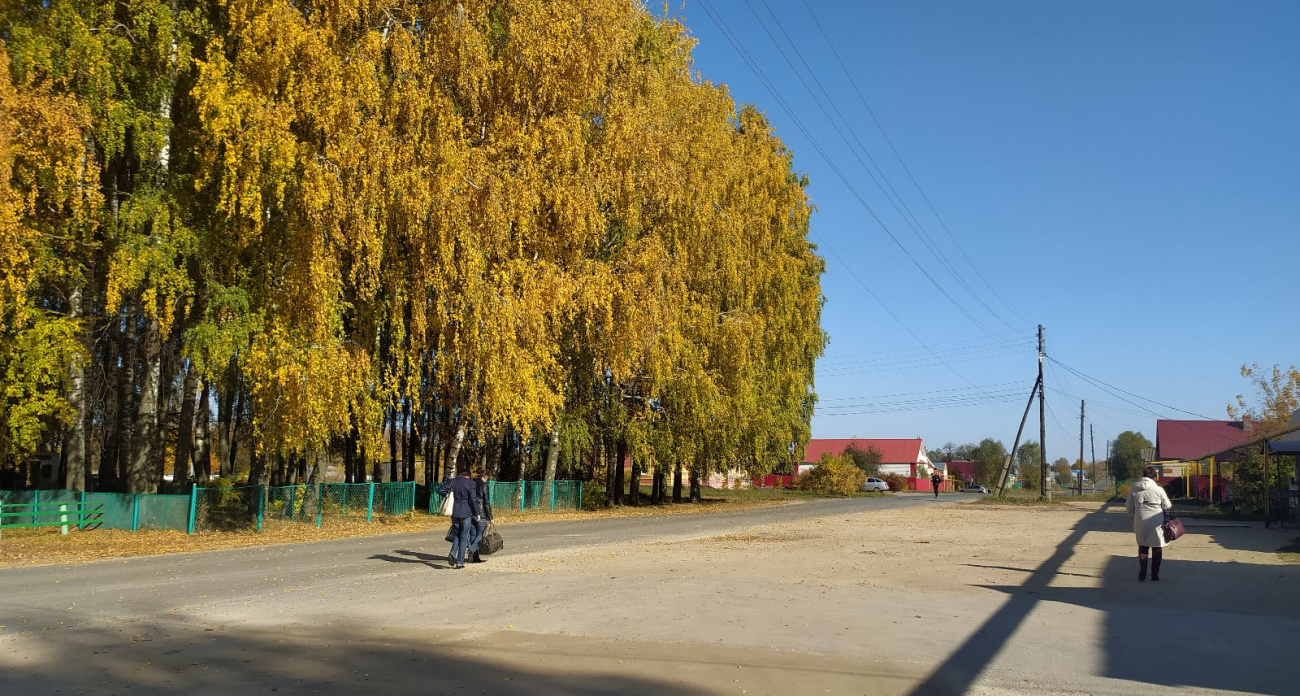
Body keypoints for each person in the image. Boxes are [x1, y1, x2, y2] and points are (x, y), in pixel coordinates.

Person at [1125, 465, 1173, 581]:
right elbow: (1167, 506)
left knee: (1143, 547)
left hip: (1140, 521)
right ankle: (1154, 574)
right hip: (1156, 522)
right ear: (1154, 477)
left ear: (1143, 476)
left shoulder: (1134, 489)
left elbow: (1129, 507)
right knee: (1157, 548)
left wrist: (1134, 516)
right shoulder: (1158, 489)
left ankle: (1142, 572)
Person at [438, 467, 482, 569]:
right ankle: (459, 562)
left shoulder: (453, 481)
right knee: (463, 537)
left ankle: (452, 553)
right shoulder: (471, 483)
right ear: (468, 475)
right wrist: (477, 513)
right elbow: (473, 499)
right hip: (467, 513)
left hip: (455, 512)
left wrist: (448, 495)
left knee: (457, 534)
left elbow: (441, 490)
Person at [467, 471, 494, 563]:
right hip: (481, 514)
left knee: (473, 535)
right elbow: (486, 502)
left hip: (470, 513)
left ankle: (475, 557)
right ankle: (471, 550)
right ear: (485, 476)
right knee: (480, 535)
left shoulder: (471, 484)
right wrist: (490, 516)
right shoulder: (484, 485)